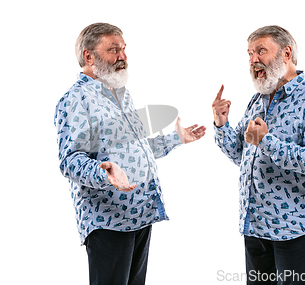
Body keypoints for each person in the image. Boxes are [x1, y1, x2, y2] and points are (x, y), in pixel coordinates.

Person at [54, 22, 206, 285]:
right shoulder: (75, 99)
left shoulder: (120, 95)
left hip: (140, 214)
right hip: (109, 221)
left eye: (123, 49)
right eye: (114, 50)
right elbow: (70, 160)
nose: (123, 56)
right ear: (88, 56)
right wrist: (105, 173)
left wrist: (176, 139)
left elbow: (135, 148)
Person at [212, 26, 305, 285]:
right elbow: (240, 155)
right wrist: (221, 124)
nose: (253, 60)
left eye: (261, 51)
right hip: (255, 225)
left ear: (286, 53)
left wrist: (267, 142)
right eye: (249, 53)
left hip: (295, 229)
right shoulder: (257, 100)